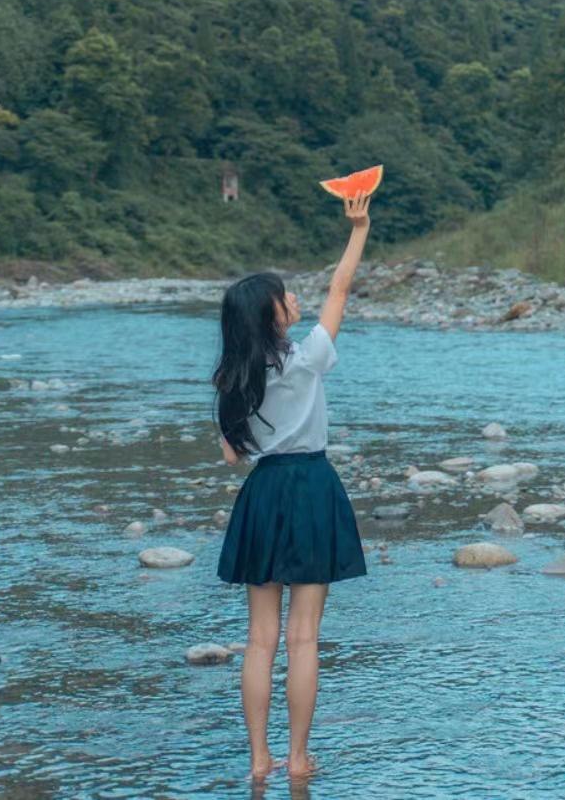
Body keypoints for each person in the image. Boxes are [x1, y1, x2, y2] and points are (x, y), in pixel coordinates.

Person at [211, 190, 373, 782]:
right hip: (311, 488)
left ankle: (259, 761)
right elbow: (339, 290)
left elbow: (233, 455)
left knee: (259, 642)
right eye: (285, 294)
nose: (295, 297)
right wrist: (357, 229)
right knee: (303, 640)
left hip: (263, 493)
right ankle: (298, 759)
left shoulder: (232, 376)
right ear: (272, 314)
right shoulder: (306, 359)